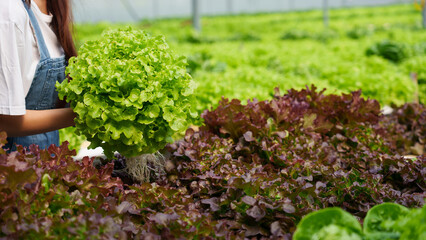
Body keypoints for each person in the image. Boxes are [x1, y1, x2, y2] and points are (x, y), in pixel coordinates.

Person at [0, 0, 76, 151]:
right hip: (13, 164)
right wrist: (84, 115)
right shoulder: (9, 10)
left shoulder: (54, 9)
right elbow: (6, 121)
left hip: (46, 160)